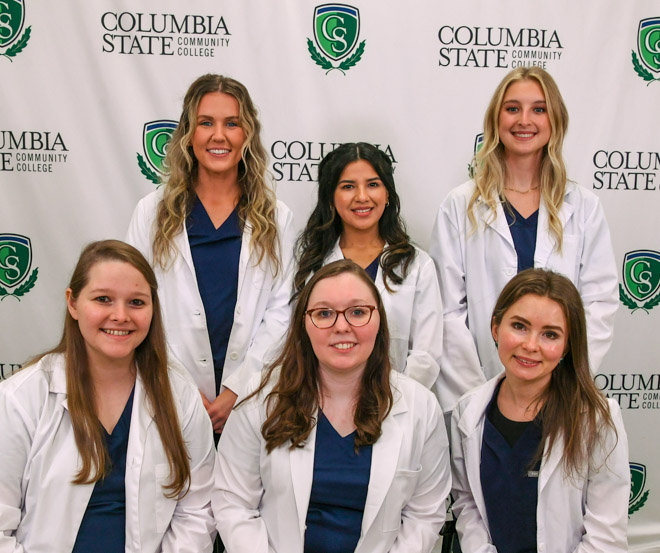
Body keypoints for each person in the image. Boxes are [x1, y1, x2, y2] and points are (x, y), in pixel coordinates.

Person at [0, 240, 216, 552]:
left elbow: (197, 510)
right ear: (73, 303)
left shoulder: (180, 395)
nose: (120, 316)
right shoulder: (19, 399)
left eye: (137, 302)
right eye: (103, 299)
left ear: (153, 309)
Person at [213, 259, 451, 553]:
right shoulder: (261, 397)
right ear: (304, 324)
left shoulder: (420, 407)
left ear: (379, 321)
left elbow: (424, 515)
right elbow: (233, 503)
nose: (342, 326)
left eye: (358, 312)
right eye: (324, 313)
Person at [429, 67, 618, 414]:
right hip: (476, 389)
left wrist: (566, 377)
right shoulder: (461, 204)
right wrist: (479, 394)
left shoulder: (583, 206)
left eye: (538, 109)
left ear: (555, 120)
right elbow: (447, 312)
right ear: (496, 119)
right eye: (512, 108)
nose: (524, 120)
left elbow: (598, 305)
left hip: (559, 391)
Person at [126, 74, 295, 436]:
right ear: (188, 133)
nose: (219, 136)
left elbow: (283, 312)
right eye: (206, 123)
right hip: (169, 395)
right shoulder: (151, 213)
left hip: (251, 400)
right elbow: (137, 303)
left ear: (247, 134)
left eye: (231, 123)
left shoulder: (277, 218)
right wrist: (181, 387)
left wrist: (240, 387)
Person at [450, 268, 629, 553]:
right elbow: (467, 505)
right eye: (519, 326)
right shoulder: (467, 412)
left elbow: (606, 534)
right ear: (496, 328)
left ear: (567, 346)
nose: (530, 345)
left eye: (550, 334)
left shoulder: (597, 418)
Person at [295, 142, 443, 389]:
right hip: (322, 400)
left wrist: (393, 400)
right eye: (348, 187)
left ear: (387, 195)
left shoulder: (416, 265)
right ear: (330, 197)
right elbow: (297, 345)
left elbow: (425, 356)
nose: (362, 197)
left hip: (396, 404)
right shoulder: (311, 264)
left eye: (373, 185)